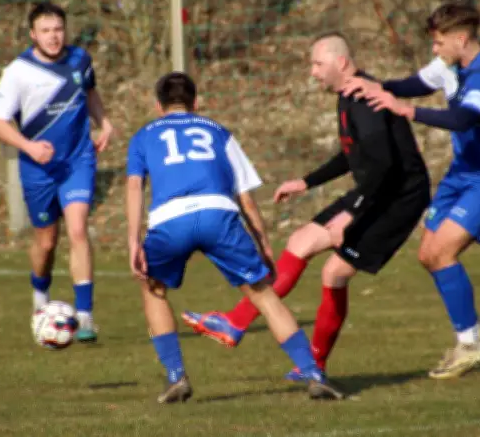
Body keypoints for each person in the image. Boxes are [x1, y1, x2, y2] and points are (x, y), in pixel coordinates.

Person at [182, 32, 431, 381]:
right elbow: (353, 155)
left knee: (334, 273)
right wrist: (306, 182)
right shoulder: (348, 96)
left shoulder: (364, 99)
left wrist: (351, 214)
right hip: (375, 189)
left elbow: (385, 166)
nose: (312, 72)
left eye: (317, 64)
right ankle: (235, 323)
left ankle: (314, 365)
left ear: (341, 63)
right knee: (300, 242)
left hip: (398, 196)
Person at [125, 71, 345, 403]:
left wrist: (133, 240)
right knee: (263, 296)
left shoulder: (143, 137)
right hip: (219, 216)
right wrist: (264, 243)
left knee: (153, 290)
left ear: (158, 107)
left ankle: (176, 377)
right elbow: (244, 197)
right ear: (196, 103)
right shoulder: (218, 132)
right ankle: (313, 374)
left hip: (171, 221)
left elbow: (133, 187)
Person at [340, 2, 480, 379]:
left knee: (442, 252)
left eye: (439, 42)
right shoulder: (450, 65)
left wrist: (409, 111)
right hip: (462, 174)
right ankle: (472, 327)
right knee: (428, 254)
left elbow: (464, 118)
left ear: (461, 39)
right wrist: (379, 87)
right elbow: (418, 83)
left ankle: (469, 343)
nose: (435, 50)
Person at [0, 2, 115, 343]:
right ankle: (40, 298)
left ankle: (85, 316)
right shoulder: (18, 71)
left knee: (77, 230)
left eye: (58, 29)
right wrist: (29, 148)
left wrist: (104, 123)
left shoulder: (80, 60)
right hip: (38, 168)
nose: (54, 36)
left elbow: (90, 93)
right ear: (33, 35)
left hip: (78, 159)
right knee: (46, 242)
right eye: (45, 30)